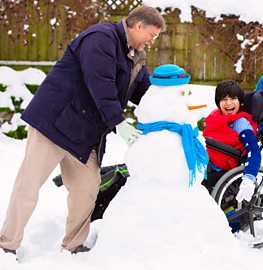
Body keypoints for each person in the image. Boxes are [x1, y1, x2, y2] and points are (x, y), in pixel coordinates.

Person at [0, 6, 164, 256]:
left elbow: (144, 91)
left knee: (87, 189)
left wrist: (168, 109)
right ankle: (7, 244)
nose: (153, 41)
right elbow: (100, 83)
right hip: (55, 123)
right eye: (152, 34)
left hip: (85, 134)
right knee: (29, 185)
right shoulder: (101, 38)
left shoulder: (136, 56)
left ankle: (73, 245)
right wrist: (117, 121)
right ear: (138, 26)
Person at [202, 80, 261, 205]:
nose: (228, 103)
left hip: (219, 167)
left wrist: (249, 178)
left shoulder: (241, 123)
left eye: (233, 98)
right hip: (207, 159)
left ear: (241, 102)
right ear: (218, 103)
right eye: (224, 99)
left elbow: (254, 151)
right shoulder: (216, 117)